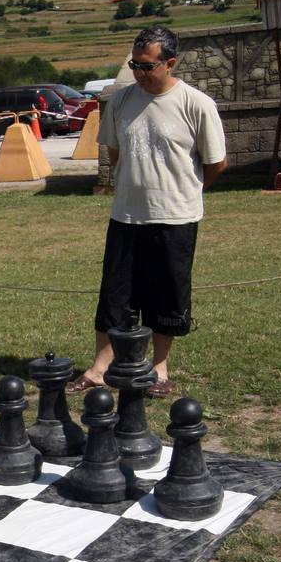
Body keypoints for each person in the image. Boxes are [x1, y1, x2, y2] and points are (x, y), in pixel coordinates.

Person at [68, 26, 227, 398]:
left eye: (146, 66)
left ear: (170, 63)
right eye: (134, 64)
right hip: (126, 216)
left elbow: (216, 163)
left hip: (176, 217)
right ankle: (99, 368)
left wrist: (184, 192)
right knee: (114, 296)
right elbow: (114, 152)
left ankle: (159, 369)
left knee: (167, 296)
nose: (138, 72)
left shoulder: (196, 104)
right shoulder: (121, 102)